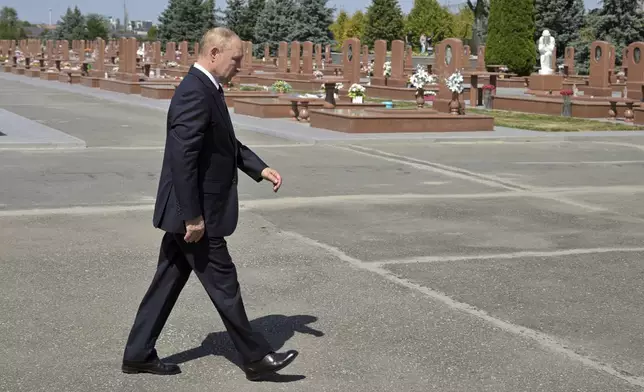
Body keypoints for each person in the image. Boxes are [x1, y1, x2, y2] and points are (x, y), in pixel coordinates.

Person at [121, 27, 297, 381]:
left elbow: (224, 143)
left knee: (166, 282)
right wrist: (194, 217)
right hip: (196, 213)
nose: (238, 67)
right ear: (214, 53)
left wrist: (259, 168)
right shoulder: (194, 91)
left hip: (186, 211)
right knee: (224, 283)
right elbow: (182, 158)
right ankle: (255, 358)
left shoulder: (207, 88)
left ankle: (138, 353)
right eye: (235, 60)